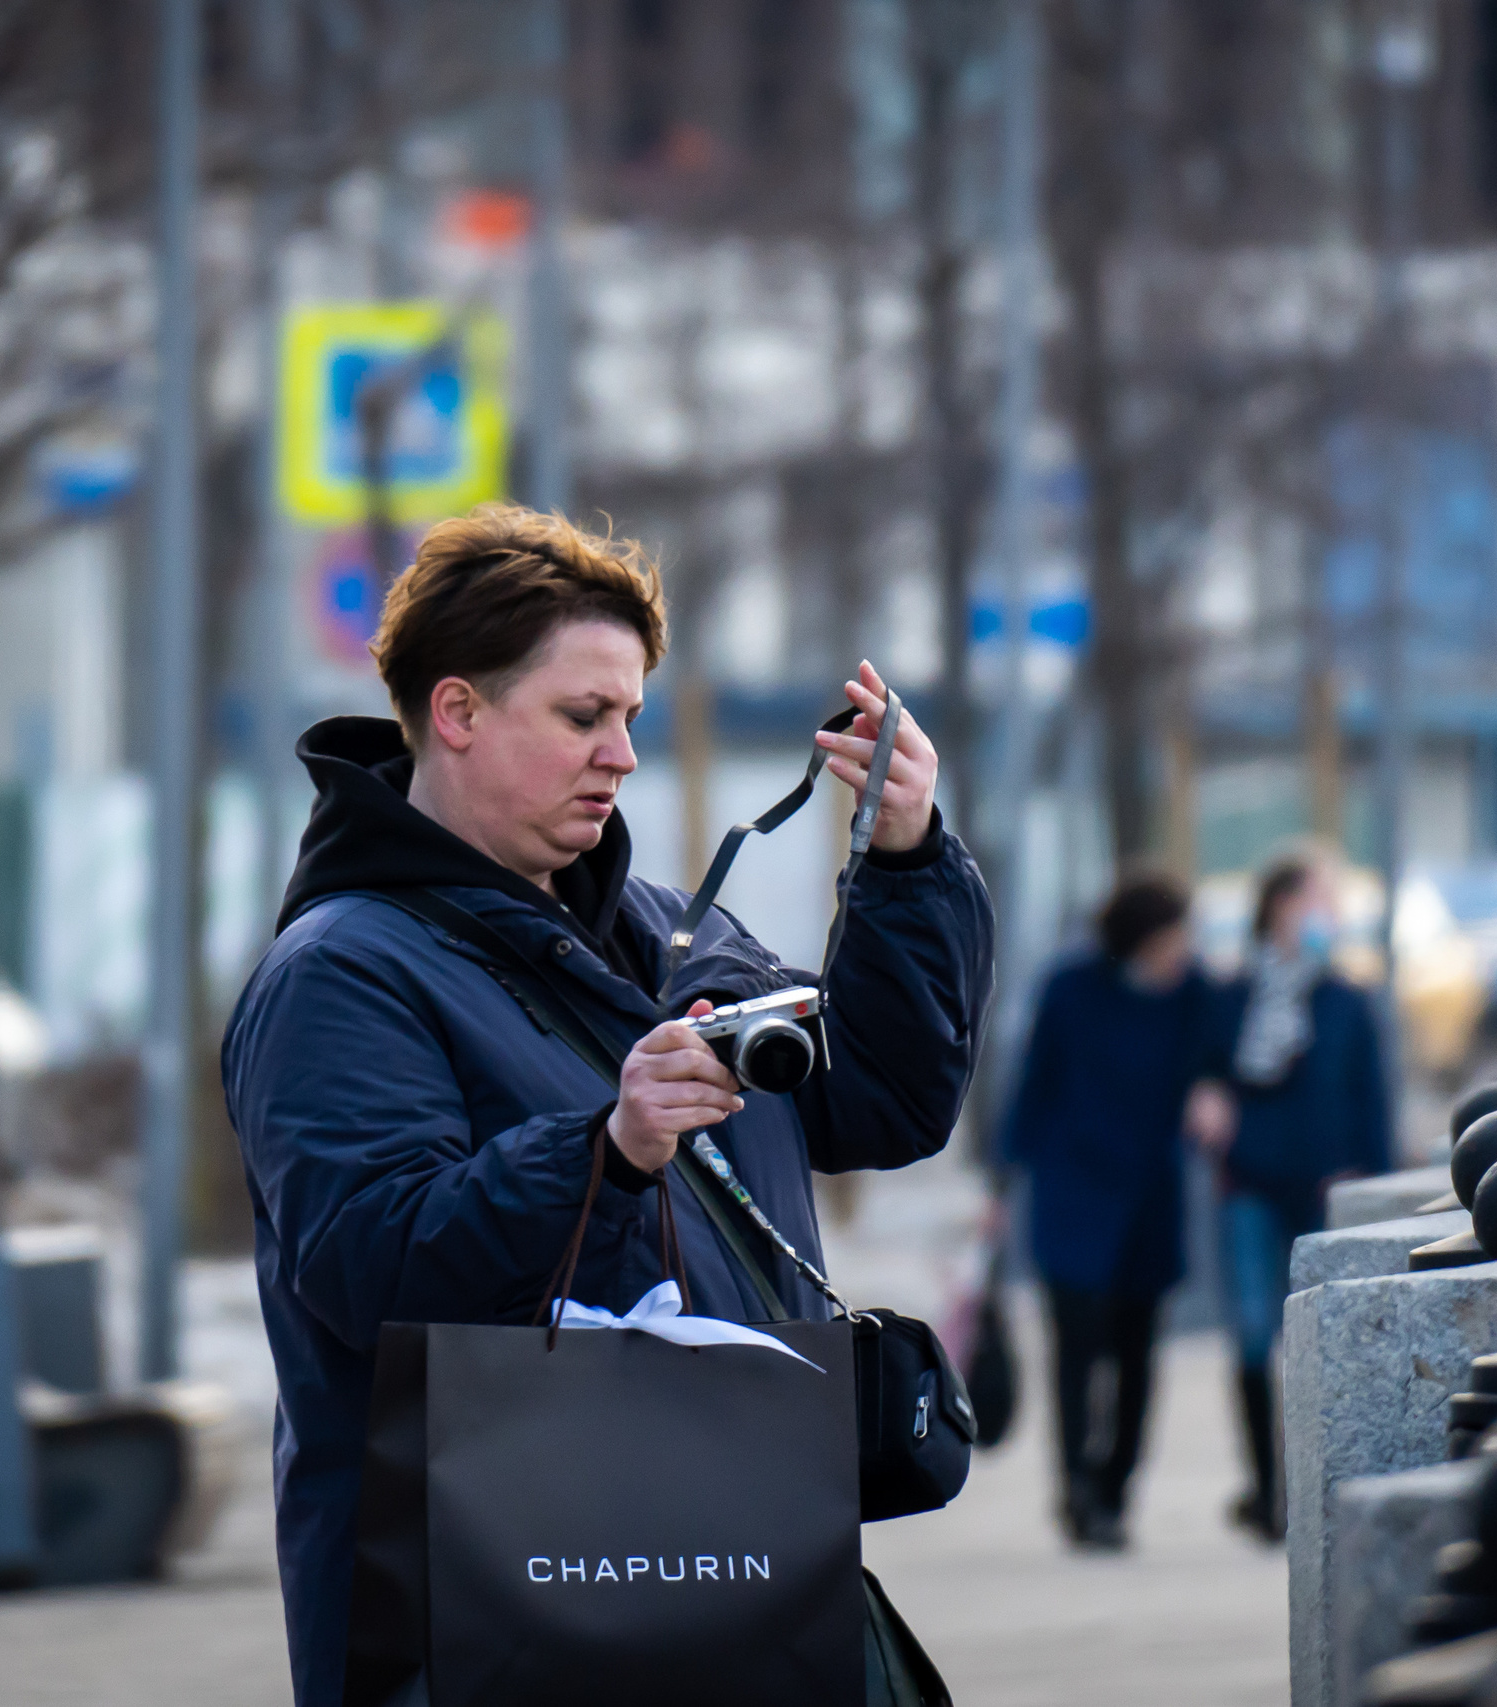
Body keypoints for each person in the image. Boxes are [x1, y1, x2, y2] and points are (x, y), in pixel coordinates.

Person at [222, 504, 994, 1707]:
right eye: (583, 717)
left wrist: (903, 860)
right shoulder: (341, 972)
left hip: (734, 1566)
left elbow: (886, 1106)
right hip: (498, 1617)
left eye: (629, 717)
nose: (622, 755)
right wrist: (609, 1150)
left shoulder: (671, 932)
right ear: (458, 713)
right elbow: (371, 1272)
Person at [999, 873, 1221, 1551]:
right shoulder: (1070, 987)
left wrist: (1215, 1090)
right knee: (1074, 1349)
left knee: (1136, 1352)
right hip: (1074, 1190)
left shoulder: (1196, 994)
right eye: (1171, 936)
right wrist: (999, 1188)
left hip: (1152, 1194)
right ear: (1138, 936)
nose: (1181, 949)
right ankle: (1076, 1491)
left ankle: (1117, 1486)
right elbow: (1032, 1085)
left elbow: (1221, 1058)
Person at [1195, 853, 1391, 1544]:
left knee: (1321, 1337)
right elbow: (1204, 1068)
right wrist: (1207, 1094)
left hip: (1324, 1187)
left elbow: (1370, 1098)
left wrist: (1368, 1179)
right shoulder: (1234, 995)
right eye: (1316, 899)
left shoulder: (1346, 998)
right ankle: (1266, 1488)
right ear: (1278, 907)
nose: (1326, 916)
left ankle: (1315, 1482)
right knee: (1252, 1333)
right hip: (1247, 1179)